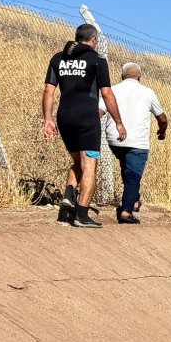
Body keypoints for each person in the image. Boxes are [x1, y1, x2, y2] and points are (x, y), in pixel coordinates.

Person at [43, 24, 126, 228]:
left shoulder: (57, 58)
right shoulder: (97, 60)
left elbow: (48, 90)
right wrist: (118, 121)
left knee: (77, 161)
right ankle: (81, 215)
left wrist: (47, 119)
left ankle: (69, 199)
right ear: (93, 40)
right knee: (89, 164)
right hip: (87, 118)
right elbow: (106, 93)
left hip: (64, 117)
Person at [99, 63, 168, 225]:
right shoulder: (148, 92)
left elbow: (99, 111)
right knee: (133, 175)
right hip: (138, 141)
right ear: (139, 77)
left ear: (122, 76)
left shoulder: (112, 90)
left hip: (115, 139)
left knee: (127, 167)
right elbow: (162, 118)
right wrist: (162, 131)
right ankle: (126, 211)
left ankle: (134, 200)